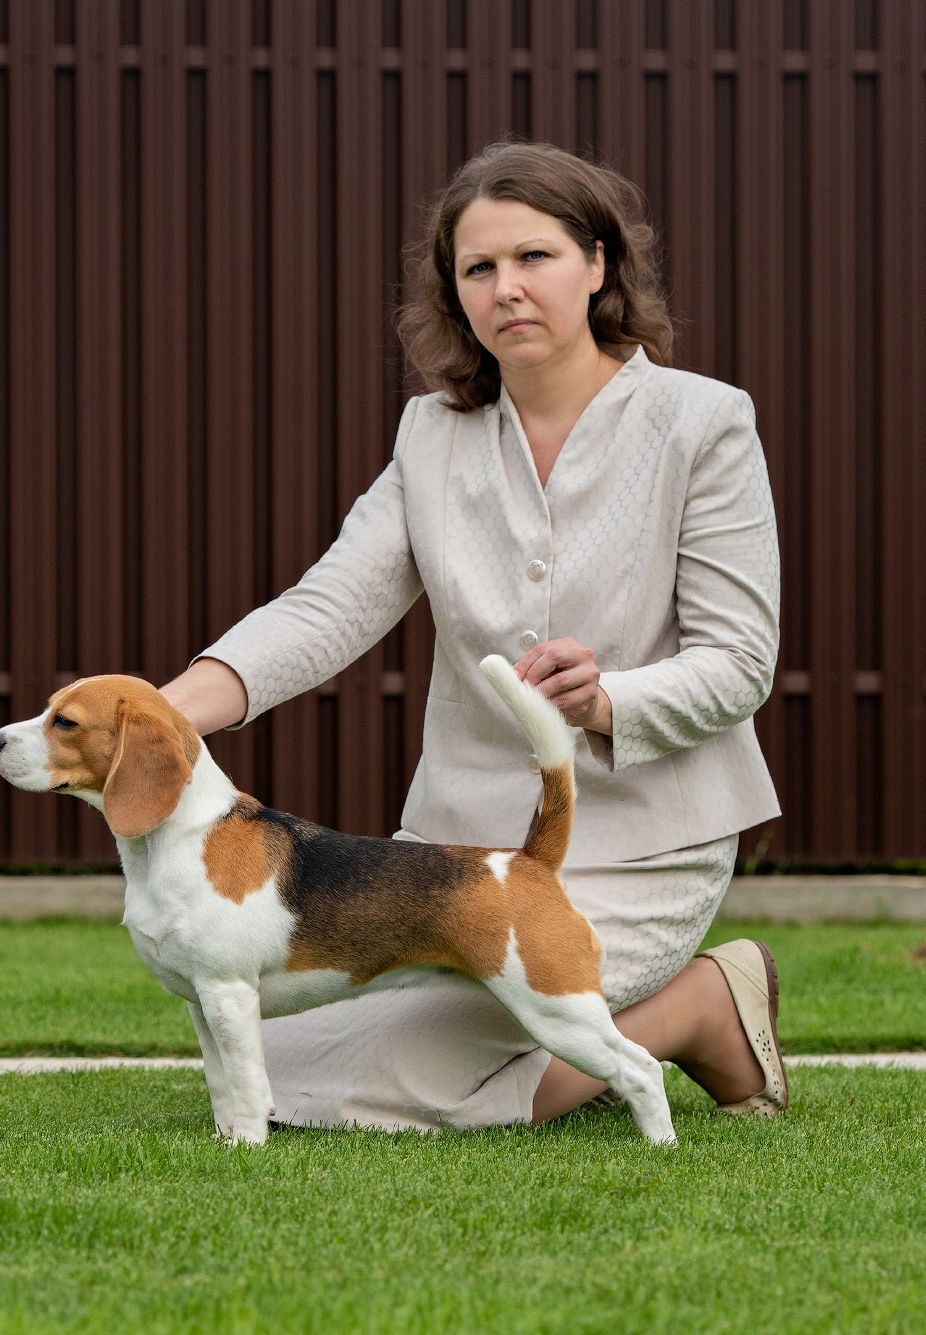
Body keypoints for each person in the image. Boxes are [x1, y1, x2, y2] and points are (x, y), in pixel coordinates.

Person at [159, 140, 786, 1133]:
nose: (507, 289)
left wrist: (607, 700)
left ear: (597, 264)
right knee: (272, 1063)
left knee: (394, 1086)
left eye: (534, 257)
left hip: (643, 849)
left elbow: (740, 659)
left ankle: (694, 1007)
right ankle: (579, 1031)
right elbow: (329, 609)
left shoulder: (702, 421)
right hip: (447, 867)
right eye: (478, 267)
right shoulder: (430, 434)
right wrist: (165, 712)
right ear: (453, 292)